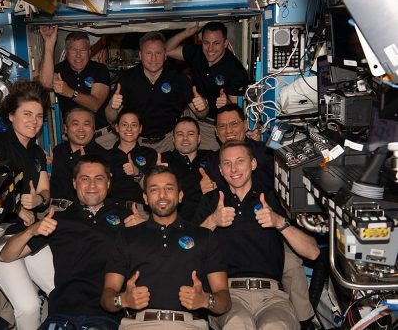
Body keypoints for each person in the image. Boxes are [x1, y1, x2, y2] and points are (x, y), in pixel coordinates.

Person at [0, 155, 146, 330]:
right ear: (74, 183)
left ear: (108, 183)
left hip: (106, 317)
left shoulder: (127, 218)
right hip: (62, 315)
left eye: (99, 179)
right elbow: (6, 256)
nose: (92, 185)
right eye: (85, 179)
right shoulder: (59, 219)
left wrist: (145, 231)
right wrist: (31, 230)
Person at [193, 140, 320, 330]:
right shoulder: (212, 201)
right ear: (220, 169)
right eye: (227, 163)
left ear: (253, 164)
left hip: (273, 297)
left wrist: (279, 222)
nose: (233, 169)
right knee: (238, 323)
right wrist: (212, 221)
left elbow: (312, 252)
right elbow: (187, 251)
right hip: (227, 294)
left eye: (240, 161)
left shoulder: (274, 198)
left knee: (275, 326)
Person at [101, 165, 231, 330]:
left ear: (180, 195)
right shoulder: (127, 236)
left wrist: (206, 300)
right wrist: (122, 300)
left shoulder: (204, 236)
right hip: (138, 325)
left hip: (189, 325)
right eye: (154, 190)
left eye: (169, 188)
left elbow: (224, 300)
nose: (162, 195)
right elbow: (107, 296)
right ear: (146, 198)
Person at [0, 81, 53, 330]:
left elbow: (44, 191)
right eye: (27, 114)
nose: (34, 121)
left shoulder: (37, 153)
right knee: (28, 305)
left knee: (62, 288)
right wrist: (17, 207)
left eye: (39, 116)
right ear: (11, 116)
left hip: (28, 233)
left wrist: (38, 200)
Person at [105, 31, 208, 153]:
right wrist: (112, 107)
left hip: (169, 143)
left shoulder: (178, 78)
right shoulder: (127, 78)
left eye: (158, 53)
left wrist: (203, 107)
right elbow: (111, 118)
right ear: (140, 54)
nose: (153, 58)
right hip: (135, 142)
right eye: (148, 53)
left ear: (165, 55)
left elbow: (201, 114)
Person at [166, 22, 250, 150]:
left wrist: (226, 103)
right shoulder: (197, 52)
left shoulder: (235, 70)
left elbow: (236, 110)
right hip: (191, 116)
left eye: (216, 43)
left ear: (225, 43)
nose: (210, 49)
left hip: (213, 126)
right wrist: (186, 33)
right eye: (206, 43)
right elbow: (167, 50)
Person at [39, 26, 115, 149]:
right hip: (72, 139)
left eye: (83, 50)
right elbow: (45, 83)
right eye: (74, 50)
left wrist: (69, 92)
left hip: (102, 139)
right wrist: (48, 43)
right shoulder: (60, 70)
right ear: (66, 52)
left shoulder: (99, 70)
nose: (78, 55)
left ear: (89, 52)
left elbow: (95, 104)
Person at [50, 107, 110, 201]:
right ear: (65, 129)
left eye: (86, 124)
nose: (81, 129)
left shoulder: (103, 157)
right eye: (75, 124)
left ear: (94, 129)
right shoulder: (58, 150)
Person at [160, 116, 212, 221]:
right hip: (174, 224)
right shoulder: (162, 160)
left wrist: (214, 186)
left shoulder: (212, 157)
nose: (185, 138)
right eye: (180, 134)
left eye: (191, 134)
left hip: (208, 222)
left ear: (199, 138)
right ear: (173, 139)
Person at [109, 110, 157, 210]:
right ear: (117, 128)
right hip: (113, 210)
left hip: (142, 210)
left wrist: (137, 173)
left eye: (134, 125)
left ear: (140, 129)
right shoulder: (107, 156)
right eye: (124, 124)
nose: (129, 129)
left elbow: (155, 189)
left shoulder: (150, 154)